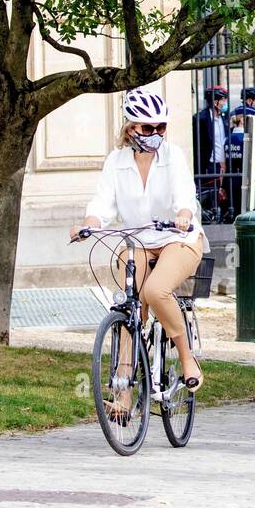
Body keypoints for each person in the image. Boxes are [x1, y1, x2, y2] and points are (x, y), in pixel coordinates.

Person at [73, 88, 207, 400]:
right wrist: (88, 226)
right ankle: (122, 396)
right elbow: (102, 204)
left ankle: (188, 360)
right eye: (149, 128)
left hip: (179, 238)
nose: (156, 134)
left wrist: (185, 215)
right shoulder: (116, 162)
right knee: (128, 308)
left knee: (155, 291)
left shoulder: (172, 156)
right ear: (131, 128)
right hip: (137, 242)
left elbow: (184, 195)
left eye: (161, 127)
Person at [192, 85, 229, 215]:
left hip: (224, 164)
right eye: (223, 100)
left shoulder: (225, 118)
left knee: (224, 196)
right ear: (215, 102)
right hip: (209, 165)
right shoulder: (200, 119)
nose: (225, 103)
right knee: (209, 196)